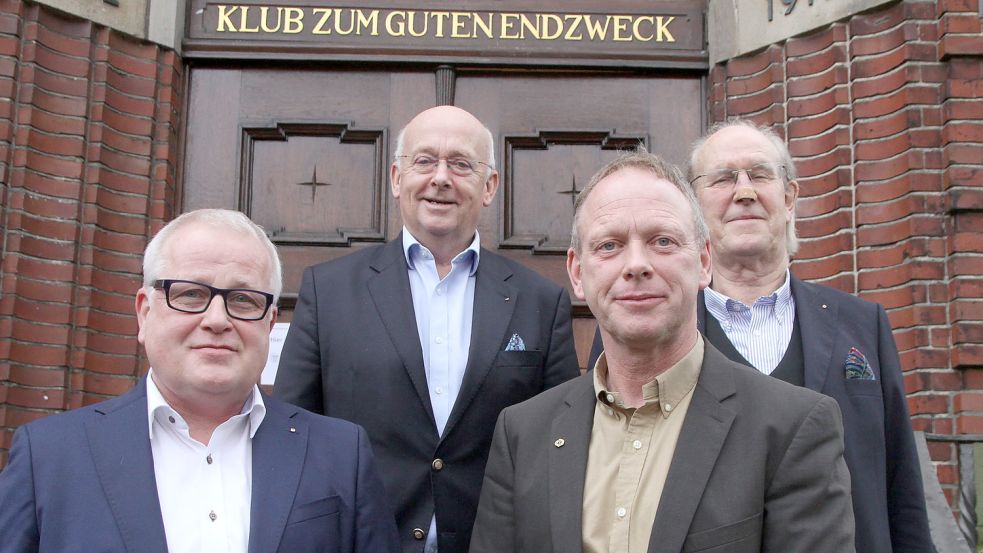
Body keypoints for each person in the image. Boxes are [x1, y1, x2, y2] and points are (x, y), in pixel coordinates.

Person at [470, 150, 855, 553]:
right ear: (578, 274)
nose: (636, 264)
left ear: (704, 261)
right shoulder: (523, 434)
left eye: (663, 241)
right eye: (609, 245)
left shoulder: (791, 427)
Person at [587, 120, 930, 552]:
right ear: (693, 207)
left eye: (761, 175)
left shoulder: (863, 325)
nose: (744, 191)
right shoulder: (638, 329)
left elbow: (901, 484)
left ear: (789, 198)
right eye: (724, 178)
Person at [0, 209, 400, 553]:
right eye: (190, 295)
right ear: (144, 312)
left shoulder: (342, 454)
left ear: (270, 322)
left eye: (243, 300)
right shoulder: (49, 457)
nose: (217, 320)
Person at [273, 105, 579, 553]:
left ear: (489, 186)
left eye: (460, 164)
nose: (440, 178)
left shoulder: (540, 302)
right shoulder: (329, 290)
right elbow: (292, 432)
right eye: (424, 161)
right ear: (397, 178)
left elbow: (560, 447)